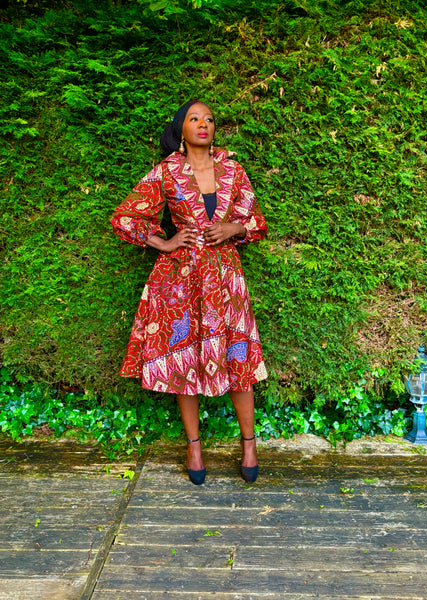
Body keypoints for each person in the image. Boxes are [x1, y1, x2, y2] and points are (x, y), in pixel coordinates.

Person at [111, 99, 268, 485]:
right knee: (184, 362)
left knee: (239, 362)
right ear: (181, 129)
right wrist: (164, 242)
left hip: (225, 280)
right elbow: (124, 217)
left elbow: (257, 222)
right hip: (180, 281)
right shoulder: (166, 171)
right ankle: (194, 445)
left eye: (210, 119)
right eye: (194, 119)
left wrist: (234, 230)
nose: (203, 124)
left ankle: (249, 444)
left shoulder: (233, 169)